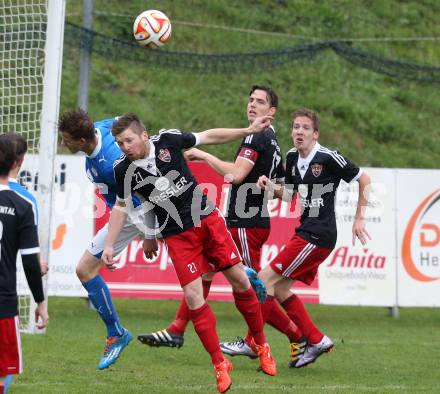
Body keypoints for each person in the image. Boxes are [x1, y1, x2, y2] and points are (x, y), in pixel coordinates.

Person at [103, 113, 277, 393]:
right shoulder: (123, 170)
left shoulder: (169, 141)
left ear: (144, 136)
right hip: (176, 235)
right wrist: (116, 243)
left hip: (207, 220)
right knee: (194, 298)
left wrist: (248, 129)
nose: (124, 147)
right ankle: (220, 364)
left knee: (241, 282)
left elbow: (209, 135)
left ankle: (262, 343)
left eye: (128, 141)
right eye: (119, 143)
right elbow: (125, 205)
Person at [139, 85, 306, 365]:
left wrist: (203, 156)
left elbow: (236, 175)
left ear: (272, 111)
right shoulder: (273, 141)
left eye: (260, 102)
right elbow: (287, 192)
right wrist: (267, 187)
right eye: (251, 99)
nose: (252, 105)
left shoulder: (258, 137)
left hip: (245, 222)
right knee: (204, 273)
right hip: (252, 220)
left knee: (249, 286)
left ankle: (293, 335)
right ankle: (176, 330)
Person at [255, 108, 371, 368]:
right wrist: (270, 188)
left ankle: (254, 342)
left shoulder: (328, 157)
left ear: (315, 134)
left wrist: (359, 217)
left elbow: (364, 179)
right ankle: (315, 339)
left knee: (260, 284)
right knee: (281, 289)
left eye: (305, 128)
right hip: (307, 231)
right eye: (296, 126)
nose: (299, 131)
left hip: (319, 234)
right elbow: (289, 195)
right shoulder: (293, 157)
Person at [58, 110, 157, 370]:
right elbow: (124, 118)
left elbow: (141, 196)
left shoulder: (110, 164)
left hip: (144, 211)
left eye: (66, 139)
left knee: (194, 258)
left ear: (81, 141)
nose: (63, 144)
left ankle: (242, 272)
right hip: (123, 214)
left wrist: (149, 234)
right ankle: (116, 332)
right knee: (85, 269)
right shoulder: (100, 127)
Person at [0, 135, 49, 394]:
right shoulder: (23, 202)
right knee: (1, 373)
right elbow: (31, 262)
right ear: (19, 162)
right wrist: (40, 303)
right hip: (3, 302)